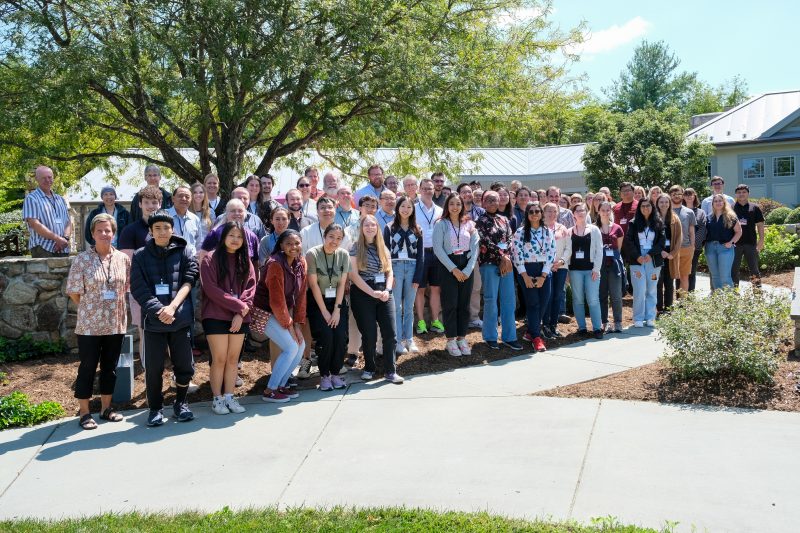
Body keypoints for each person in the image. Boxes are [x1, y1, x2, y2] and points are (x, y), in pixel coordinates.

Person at [130, 210, 198, 426]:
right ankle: (155, 408)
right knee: (154, 368)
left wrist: (173, 307)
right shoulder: (140, 255)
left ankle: (181, 403)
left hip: (180, 318)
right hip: (154, 322)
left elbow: (189, 280)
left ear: (173, 230)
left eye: (166, 227)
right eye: (157, 228)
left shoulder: (184, 251)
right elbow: (138, 288)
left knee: (184, 365)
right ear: (150, 231)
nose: (162, 231)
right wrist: (160, 310)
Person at [66, 213, 130, 429]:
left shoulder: (123, 259)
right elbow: (74, 293)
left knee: (110, 367)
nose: (104, 234)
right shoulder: (82, 260)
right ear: (92, 234)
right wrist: (91, 308)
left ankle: (105, 408)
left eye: (108, 230)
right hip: (89, 326)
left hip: (115, 324)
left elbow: (126, 288)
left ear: (114, 232)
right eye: (99, 230)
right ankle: (84, 413)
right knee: (87, 367)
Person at [200, 221, 256, 415]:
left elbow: (250, 287)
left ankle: (230, 397)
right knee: (220, 359)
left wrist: (241, 312)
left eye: (239, 237)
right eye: (231, 235)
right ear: (223, 237)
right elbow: (211, 290)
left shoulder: (245, 260)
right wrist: (240, 307)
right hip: (215, 315)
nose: (235, 240)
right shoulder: (210, 259)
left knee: (233, 359)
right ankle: (217, 399)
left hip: (239, 318)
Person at [349, 215, 403, 383]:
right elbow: (354, 276)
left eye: (373, 224)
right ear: (361, 228)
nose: (370, 227)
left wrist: (387, 290)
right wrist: (371, 292)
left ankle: (390, 371)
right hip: (363, 293)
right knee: (369, 334)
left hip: (384, 293)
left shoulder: (383, 248)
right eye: (367, 225)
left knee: (390, 333)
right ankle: (369, 368)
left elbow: (389, 272)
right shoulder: (355, 247)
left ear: (377, 227)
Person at [254, 230, 307, 402]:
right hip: (263, 311)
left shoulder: (301, 263)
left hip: (281, 312)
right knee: (291, 346)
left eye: (297, 243)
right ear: (281, 246)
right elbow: (276, 301)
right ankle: (271, 390)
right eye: (289, 244)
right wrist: (289, 325)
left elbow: (301, 296)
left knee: (301, 344)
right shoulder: (275, 264)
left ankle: (282, 385)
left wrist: (298, 324)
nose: (294, 247)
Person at [433, 193, 479, 356]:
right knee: (450, 304)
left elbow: (475, 249)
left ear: (463, 206)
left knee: (464, 304)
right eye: (451, 204)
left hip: (466, 266)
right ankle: (451, 339)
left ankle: (461, 337)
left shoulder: (470, 224)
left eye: (458, 204)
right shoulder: (441, 224)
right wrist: (454, 269)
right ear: (447, 206)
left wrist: (466, 270)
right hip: (448, 267)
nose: (455, 207)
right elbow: (438, 249)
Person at [306, 224, 350, 391]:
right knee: (326, 338)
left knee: (340, 337)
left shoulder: (343, 255)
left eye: (339, 238)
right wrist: (325, 312)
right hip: (318, 302)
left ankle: (335, 374)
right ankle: (324, 375)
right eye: (331, 236)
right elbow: (313, 284)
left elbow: (341, 284)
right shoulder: (313, 254)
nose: (335, 241)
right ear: (325, 236)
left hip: (337, 302)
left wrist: (337, 310)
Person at [476, 191, 522, 350]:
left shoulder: (504, 220)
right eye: (489, 201)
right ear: (483, 203)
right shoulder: (480, 221)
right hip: (489, 264)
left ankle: (510, 336)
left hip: (506, 264)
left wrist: (506, 258)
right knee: (491, 300)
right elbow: (484, 241)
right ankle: (490, 336)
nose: (493, 203)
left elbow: (510, 239)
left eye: (495, 200)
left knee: (509, 301)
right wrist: (501, 257)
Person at [511, 201, 554, 351]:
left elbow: (551, 253)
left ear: (541, 213)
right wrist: (525, 276)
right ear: (527, 214)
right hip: (527, 269)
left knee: (543, 302)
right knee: (533, 303)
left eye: (537, 211)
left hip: (544, 270)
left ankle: (530, 331)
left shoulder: (547, 231)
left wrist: (543, 276)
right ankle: (536, 337)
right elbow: (517, 254)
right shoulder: (520, 232)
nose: (534, 214)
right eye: (531, 212)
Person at [384, 196, 423, 354]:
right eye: (403, 206)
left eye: (409, 207)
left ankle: (409, 340)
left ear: (413, 210)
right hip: (396, 267)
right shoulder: (389, 228)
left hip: (412, 267)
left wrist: (417, 277)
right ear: (397, 208)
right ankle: (398, 340)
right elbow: (385, 253)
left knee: (408, 307)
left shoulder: (417, 229)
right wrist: (389, 275)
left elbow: (420, 256)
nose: (405, 210)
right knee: (396, 307)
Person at [622, 199, 665, 327]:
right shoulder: (633, 223)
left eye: (648, 206)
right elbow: (628, 241)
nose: (645, 208)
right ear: (639, 208)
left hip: (653, 259)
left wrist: (651, 254)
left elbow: (661, 242)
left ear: (652, 207)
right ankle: (638, 318)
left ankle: (650, 316)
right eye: (643, 206)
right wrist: (637, 256)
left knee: (651, 289)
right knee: (639, 289)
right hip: (637, 260)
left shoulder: (658, 222)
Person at [568, 203, 604, 338]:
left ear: (586, 212)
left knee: (593, 299)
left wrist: (596, 269)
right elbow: (567, 252)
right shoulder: (569, 231)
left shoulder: (594, 230)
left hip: (591, 270)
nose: (581, 212)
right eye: (577, 211)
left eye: (583, 210)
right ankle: (582, 328)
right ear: (573, 214)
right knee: (578, 299)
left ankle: (597, 328)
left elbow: (599, 250)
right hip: (575, 270)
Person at [414, 178, 445, 334]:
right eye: (424, 188)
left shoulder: (440, 210)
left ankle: (435, 321)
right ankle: (420, 322)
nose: (427, 191)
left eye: (430, 188)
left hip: (437, 254)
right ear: (419, 190)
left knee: (436, 288)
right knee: (419, 289)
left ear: (434, 190)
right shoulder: (412, 209)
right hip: (420, 254)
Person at [23, 165, 72, 257]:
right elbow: (34, 224)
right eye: (43, 178)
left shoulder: (60, 199)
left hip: (62, 247)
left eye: (49, 177)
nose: (47, 180)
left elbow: (68, 222)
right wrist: (57, 238)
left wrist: (65, 238)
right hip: (43, 248)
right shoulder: (32, 199)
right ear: (37, 179)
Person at [457, 183, 485, 328]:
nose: (467, 194)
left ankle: (473, 317)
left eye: (469, 192)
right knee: (457, 288)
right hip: (456, 256)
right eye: (464, 192)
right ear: (458, 194)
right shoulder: (453, 210)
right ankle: (458, 317)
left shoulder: (480, 212)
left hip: (475, 255)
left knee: (475, 287)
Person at [541, 202, 571, 339]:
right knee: (548, 296)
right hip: (545, 268)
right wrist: (549, 264)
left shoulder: (562, 228)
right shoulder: (540, 228)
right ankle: (545, 325)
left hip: (561, 267)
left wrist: (561, 261)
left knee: (558, 296)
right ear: (544, 212)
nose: (552, 214)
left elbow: (568, 248)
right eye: (549, 211)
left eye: (555, 211)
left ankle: (553, 325)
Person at [201, 199, 260, 267]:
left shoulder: (252, 236)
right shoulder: (214, 233)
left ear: (245, 213)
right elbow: (203, 258)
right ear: (226, 213)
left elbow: (255, 262)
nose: (237, 213)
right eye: (233, 211)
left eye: (240, 211)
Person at [596, 201, 624, 333]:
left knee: (616, 295)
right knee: (602, 295)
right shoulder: (594, 228)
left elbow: (618, 248)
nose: (605, 212)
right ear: (598, 211)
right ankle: (604, 322)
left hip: (614, 266)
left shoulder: (617, 228)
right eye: (603, 210)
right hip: (599, 266)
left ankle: (618, 322)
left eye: (608, 210)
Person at [705, 194, 742, 291]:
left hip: (725, 248)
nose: (718, 203)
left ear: (724, 203)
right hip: (710, 248)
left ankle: (729, 301)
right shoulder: (708, 217)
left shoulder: (731, 217)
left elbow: (739, 232)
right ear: (712, 204)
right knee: (715, 276)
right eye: (715, 201)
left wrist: (731, 242)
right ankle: (719, 300)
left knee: (725, 276)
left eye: (720, 201)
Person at [732, 184, 765, 287]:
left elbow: (760, 225)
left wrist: (761, 241)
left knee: (754, 269)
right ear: (736, 194)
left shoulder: (754, 207)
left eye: (744, 192)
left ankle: (757, 295)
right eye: (739, 192)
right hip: (735, 244)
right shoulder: (731, 208)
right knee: (734, 269)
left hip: (751, 244)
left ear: (748, 193)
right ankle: (734, 294)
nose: (741, 194)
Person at [655, 193, 682, 313]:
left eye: (666, 202)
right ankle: (659, 308)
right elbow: (650, 238)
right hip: (658, 254)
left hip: (671, 255)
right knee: (658, 282)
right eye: (661, 202)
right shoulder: (653, 218)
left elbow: (679, 238)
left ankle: (669, 308)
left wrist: (672, 253)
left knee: (669, 282)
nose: (664, 204)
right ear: (657, 203)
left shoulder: (675, 219)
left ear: (669, 203)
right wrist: (659, 251)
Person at [668, 185, 696, 295]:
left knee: (684, 277)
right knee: (669, 277)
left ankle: (682, 304)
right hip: (670, 249)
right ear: (670, 196)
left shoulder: (689, 212)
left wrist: (692, 247)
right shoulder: (666, 211)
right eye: (673, 194)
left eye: (679, 194)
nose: (676, 196)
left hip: (686, 248)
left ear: (683, 195)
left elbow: (692, 231)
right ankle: (670, 303)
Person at [681, 187, 707, 292]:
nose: (688, 196)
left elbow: (702, 229)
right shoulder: (678, 211)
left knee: (691, 272)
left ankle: (690, 298)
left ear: (694, 196)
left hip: (694, 248)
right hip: (680, 247)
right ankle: (680, 297)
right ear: (683, 197)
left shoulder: (701, 212)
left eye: (691, 194)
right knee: (681, 273)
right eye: (686, 194)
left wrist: (693, 244)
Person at [167, 185, 202, 258]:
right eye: (180, 196)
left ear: (191, 200)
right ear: (173, 199)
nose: (184, 199)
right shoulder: (164, 215)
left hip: (191, 262)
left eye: (187, 197)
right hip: (169, 260)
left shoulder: (195, 219)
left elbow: (198, 243)